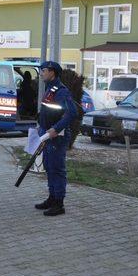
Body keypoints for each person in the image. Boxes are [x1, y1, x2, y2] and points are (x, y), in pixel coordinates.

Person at [35, 61, 78, 216]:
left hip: (57, 137)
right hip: (48, 135)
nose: (41, 73)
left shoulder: (61, 91)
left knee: (57, 169)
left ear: (52, 72)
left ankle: (59, 204)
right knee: (49, 167)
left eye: (44, 70)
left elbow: (72, 113)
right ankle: (52, 198)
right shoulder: (50, 89)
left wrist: (56, 128)